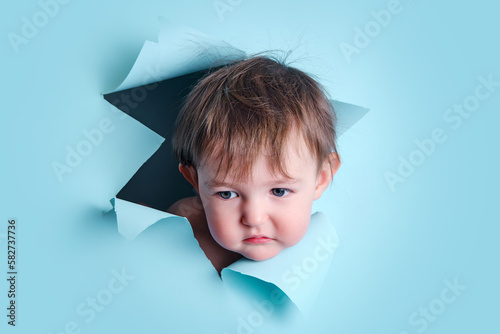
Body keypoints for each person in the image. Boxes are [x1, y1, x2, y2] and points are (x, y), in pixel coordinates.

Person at [168, 55, 340, 274]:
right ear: (194, 180)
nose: (254, 218)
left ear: (321, 178)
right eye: (227, 194)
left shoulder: (323, 257)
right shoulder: (181, 230)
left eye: (279, 191)